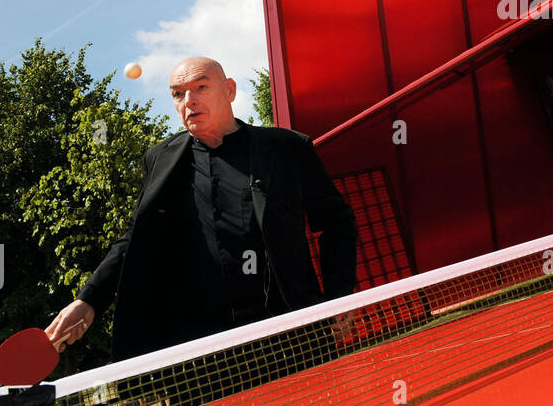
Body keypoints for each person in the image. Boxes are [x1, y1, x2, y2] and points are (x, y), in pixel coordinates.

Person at [46, 57, 359, 363]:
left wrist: (339, 295)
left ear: (230, 91)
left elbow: (336, 223)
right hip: (196, 349)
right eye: (178, 94)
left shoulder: (287, 148)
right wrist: (88, 299)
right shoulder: (159, 160)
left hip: (288, 335)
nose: (189, 101)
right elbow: (135, 239)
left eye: (201, 87)